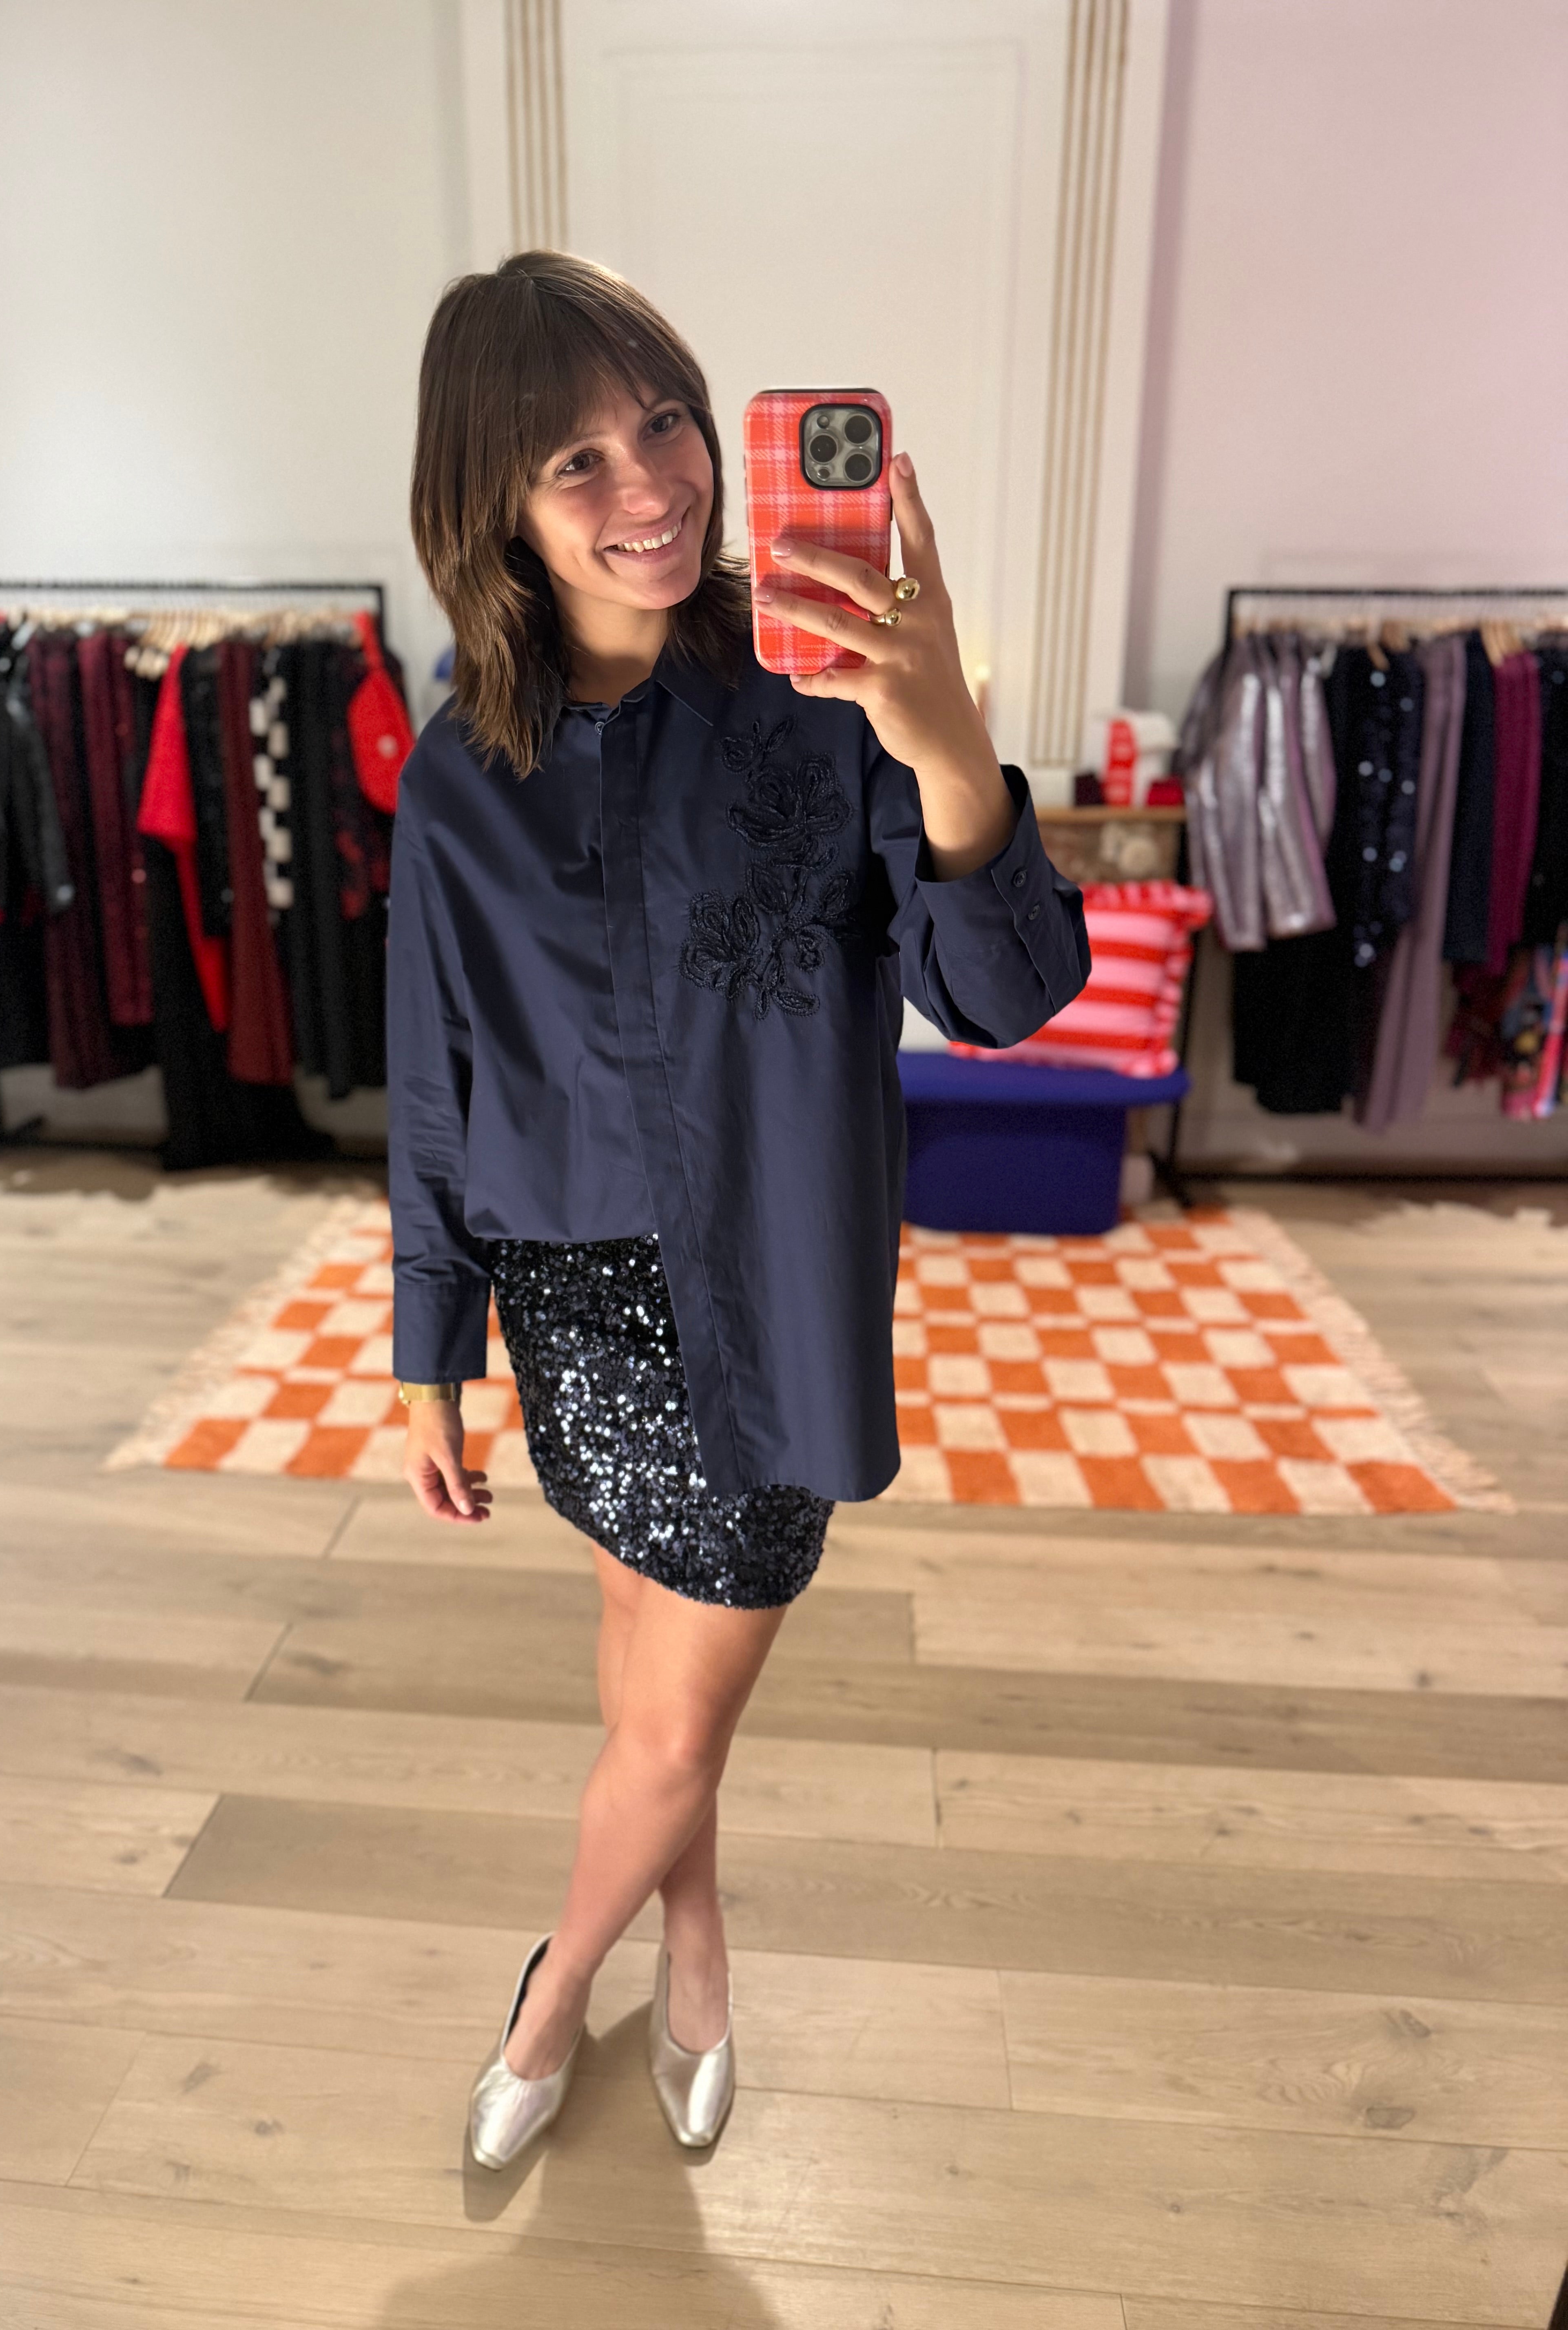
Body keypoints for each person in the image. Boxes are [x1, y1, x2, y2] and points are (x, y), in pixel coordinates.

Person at [390, 251, 1087, 2170]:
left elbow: (1009, 995)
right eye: (576, 464)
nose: (651, 490)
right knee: (652, 1687)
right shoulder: (457, 778)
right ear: (493, 509)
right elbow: (437, 1072)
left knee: (675, 1725)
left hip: (770, 1296)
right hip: (569, 1300)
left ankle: (551, 1996)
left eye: (667, 424)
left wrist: (943, 730)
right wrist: (430, 1350)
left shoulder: (827, 702)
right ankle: (694, 1950)